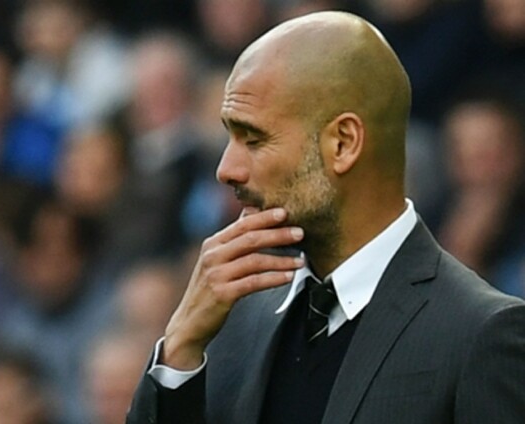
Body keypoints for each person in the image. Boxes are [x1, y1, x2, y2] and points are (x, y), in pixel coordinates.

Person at [127, 11, 525, 424]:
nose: (226, 169)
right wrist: (178, 356)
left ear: (343, 143)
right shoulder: (232, 317)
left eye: (254, 138)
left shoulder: (480, 333)